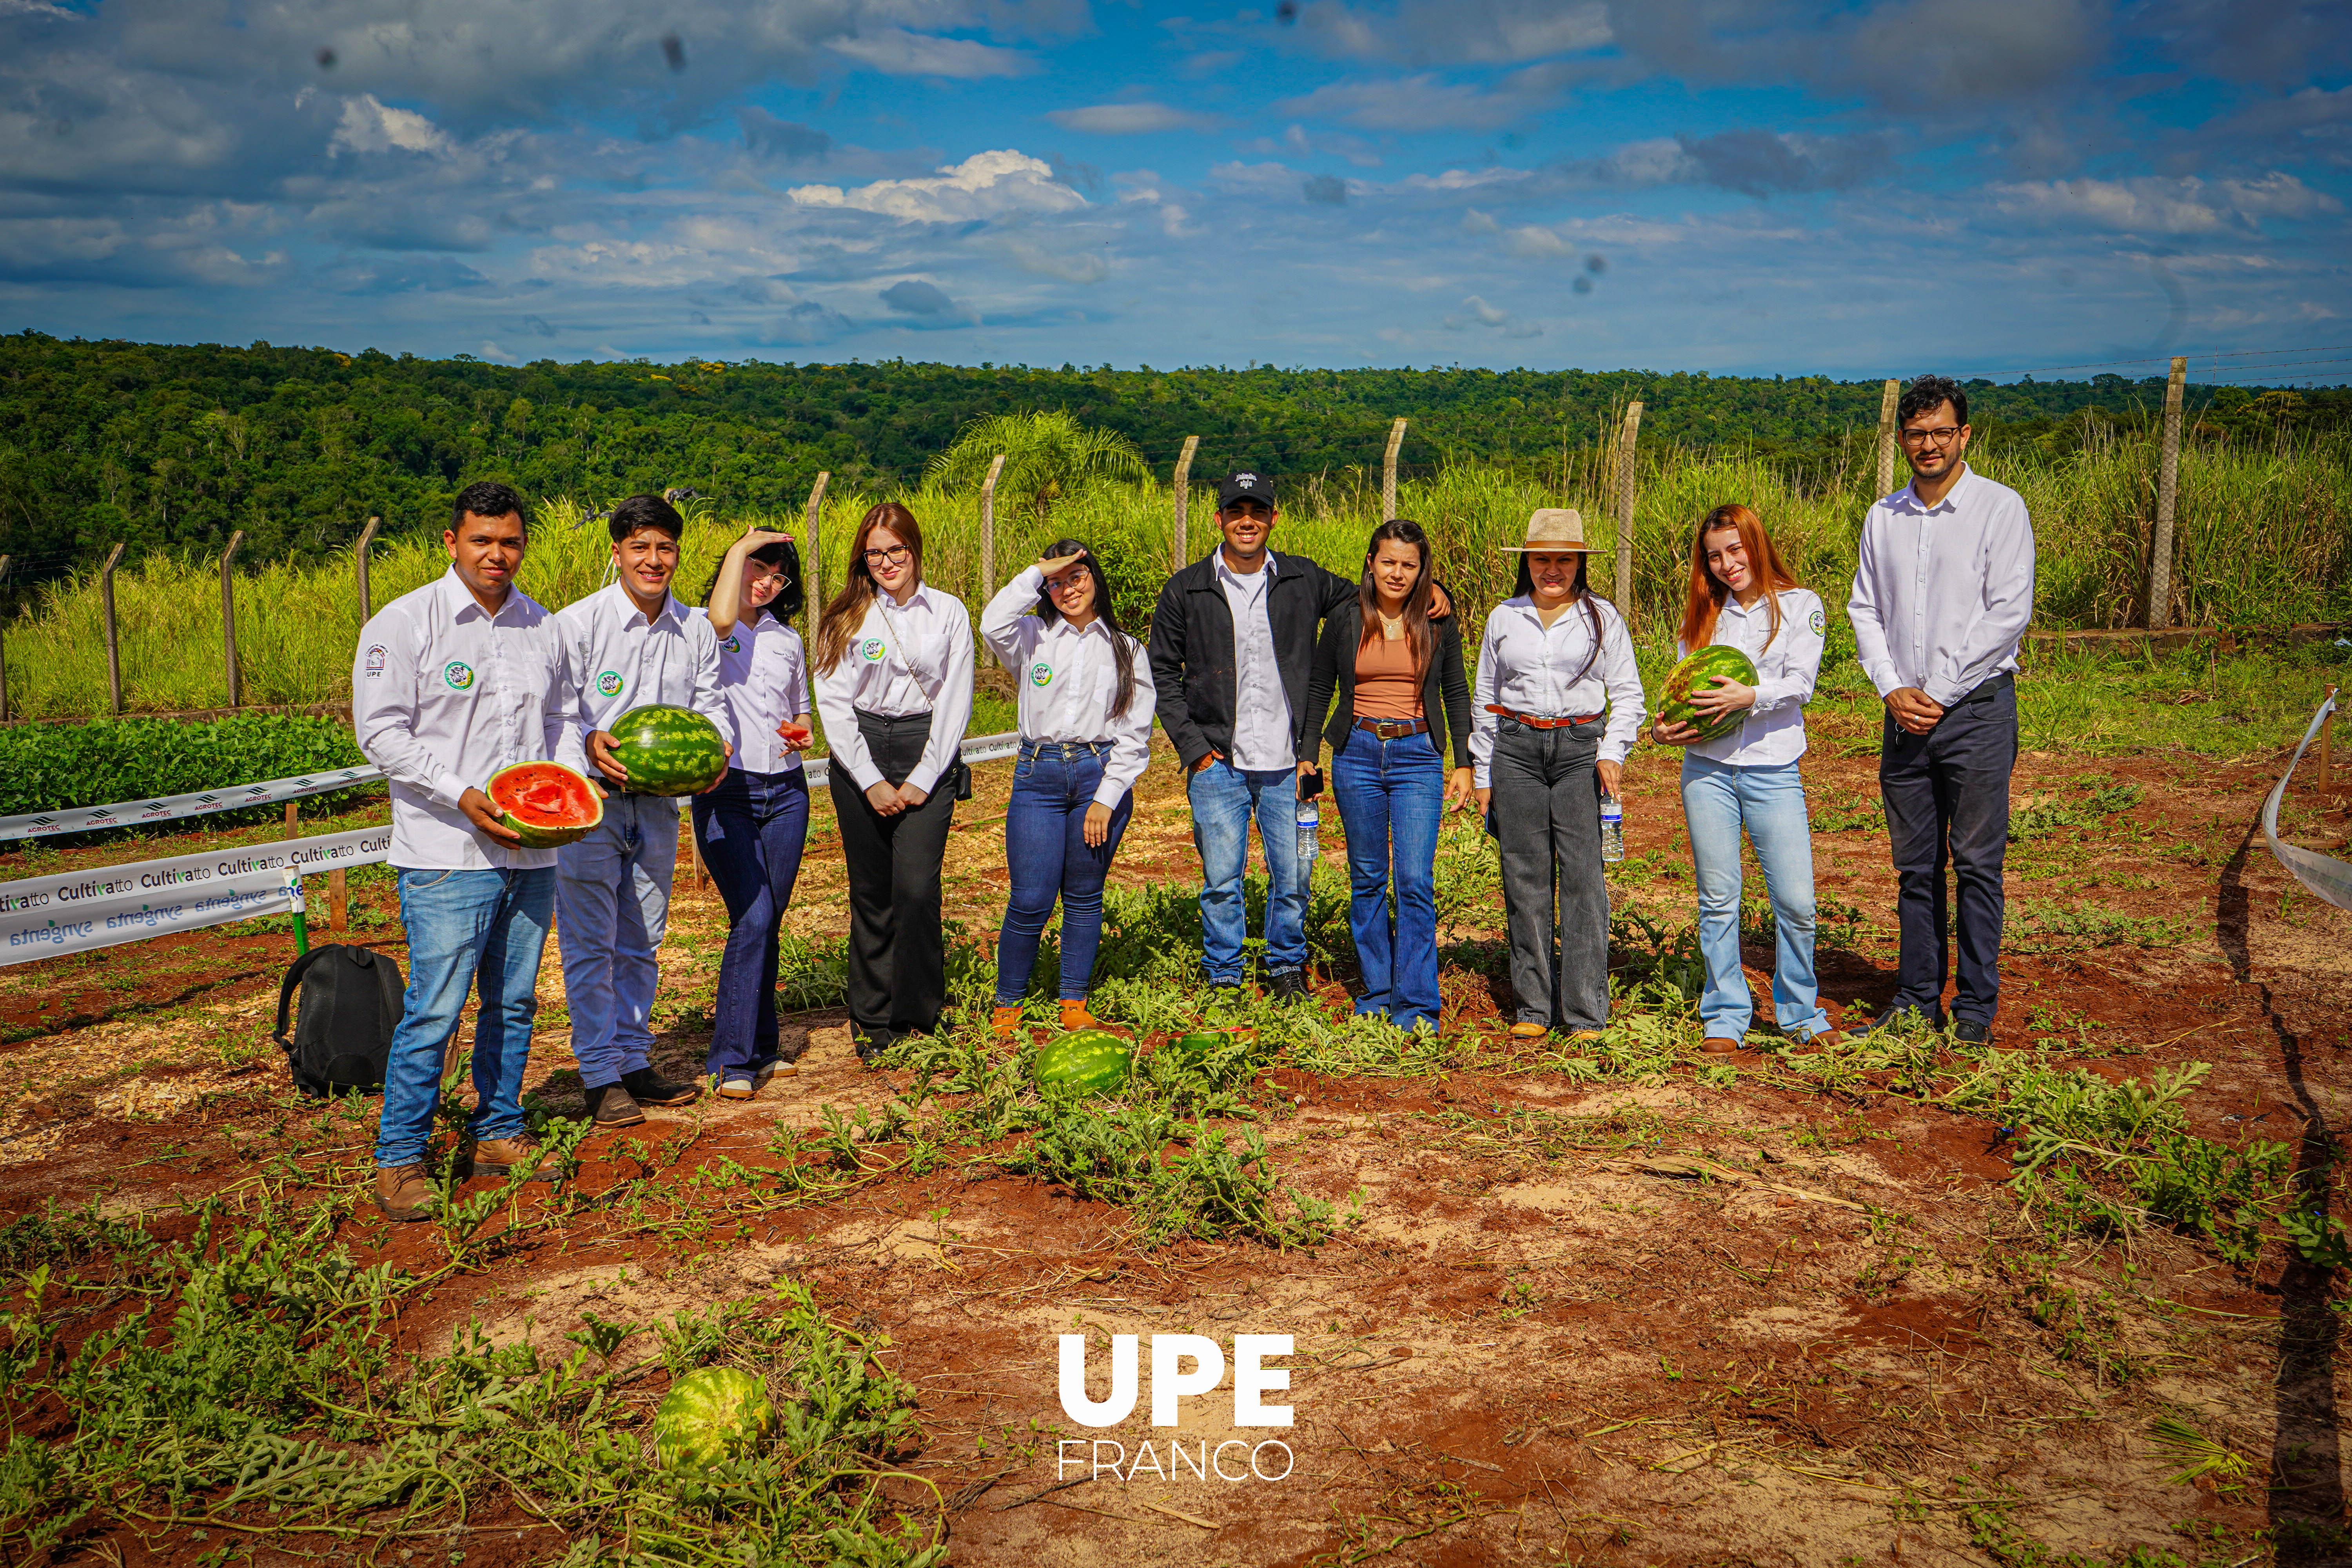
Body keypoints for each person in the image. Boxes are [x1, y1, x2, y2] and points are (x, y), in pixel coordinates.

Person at [352, 480, 565, 1220]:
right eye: (482, 540)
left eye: (510, 541)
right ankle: (400, 1157)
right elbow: (381, 733)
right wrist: (461, 792)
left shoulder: (541, 626)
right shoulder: (404, 623)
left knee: (513, 1002)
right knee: (436, 1010)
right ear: (452, 542)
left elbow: (562, 720)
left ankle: (499, 1130)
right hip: (447, 850)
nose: (496, 554)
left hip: (532, 853)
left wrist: (563, 788)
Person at [1848, 374, 2035, 1045]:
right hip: (1904, 716)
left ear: (1965, 435)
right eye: (1916, 434)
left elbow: (2008, 613)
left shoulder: (2000, 509)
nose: (1929, 445)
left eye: (1941, 432)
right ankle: (1916, 1000)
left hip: (1977, 713)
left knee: (1978, 864)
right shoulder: (1884, 517)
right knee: (1915, 867)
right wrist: (1891, 687)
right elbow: (1864, 608)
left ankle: (1975, 1011)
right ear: (1901, 439)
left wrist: (1940, 691)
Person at [554, 493, 731, 1128]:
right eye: (640, 548)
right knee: (590, 943)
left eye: (665, 548)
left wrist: (718, 745)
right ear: (617, 553)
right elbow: (554, 712)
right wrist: (586, 742)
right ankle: (599, 1075)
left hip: (658, 806)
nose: (653, 560)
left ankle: (633, 1060)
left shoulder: (695, 630)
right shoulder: (577, 625)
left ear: (677, 554)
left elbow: (711, 704)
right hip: (592, 805)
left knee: (643, 941)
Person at [1147, 472, 1358, 1002]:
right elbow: (1160, 673)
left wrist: (1435, 594)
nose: (1248, 522)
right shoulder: (1187, 588)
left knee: (1296, 873)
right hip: (1218, 764)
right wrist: (1195, 751)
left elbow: (1368, 597)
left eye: (1258, 511)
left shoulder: (1302, 578)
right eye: (1237, 512)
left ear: (1273, 518)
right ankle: (1224, 972)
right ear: (1219, 519)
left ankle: (1286, 965)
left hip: (1292, 764)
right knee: (1222, 881)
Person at [1649, 505, 1840, 1055]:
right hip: (1706, 771)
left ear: (1756, 543)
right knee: (1718, 899)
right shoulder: (1703, 617)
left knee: (1796, 901)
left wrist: (1749, 696)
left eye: (1735, 549)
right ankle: (1726, 1013)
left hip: (1773, 769)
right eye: (1714, 556)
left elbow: (1801, 682)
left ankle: (1799, 1011)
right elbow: (1683, 694)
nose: (1727, 564)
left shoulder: (1801, 605)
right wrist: (1663, 731)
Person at [1470, 509, 1645, 1042]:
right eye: (1542, 559)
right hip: (1517, 750)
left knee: (1583, 877)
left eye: (1564, 559)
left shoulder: (1602, 618)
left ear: (1579, 563)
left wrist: (1612, 751)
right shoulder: (1504, 617)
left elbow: (1629, 695)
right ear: (1526, 562)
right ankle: (1533, 1006)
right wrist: (1483, 772)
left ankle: (1585, 1011)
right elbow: (1485, 697)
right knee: (1524, 876)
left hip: (1580, 751)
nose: (1553, 569)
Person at [810, 503, 974, 1058]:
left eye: (896, 549)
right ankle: (873, 1021)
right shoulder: (845, 615)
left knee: (917, 889)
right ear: (863, 558)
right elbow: (834, 702)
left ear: (914, 549)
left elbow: (956, 697)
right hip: (860, 749)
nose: (886, 562)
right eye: (874, 553)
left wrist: (926, 774)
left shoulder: (948, 611)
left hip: (926, 744)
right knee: (871, 893)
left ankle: (918, 1016)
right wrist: (868, 780)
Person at [1299, 519, 1474, 1036]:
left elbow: (1456, 691)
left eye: (1409, 565)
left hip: (1418, 755)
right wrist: (1308, 755)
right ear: (1371, 564)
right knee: (1369, 877)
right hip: (1356, 754)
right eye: (1389, 562)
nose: (1397, 573)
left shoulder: (1437, 620)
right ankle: (1377, 993)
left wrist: (1464, 762)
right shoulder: (1346, 617)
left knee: (1415, 880)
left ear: (1423, 571)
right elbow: (1319, 686)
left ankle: (1416, 1004)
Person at [980, 540, 1156, 1039]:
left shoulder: (1127, 649)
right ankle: (1008, 1002)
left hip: (1098, 774)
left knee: (1083, 895)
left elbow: (1135, 735)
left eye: (1076, 577)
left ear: (1095, 578)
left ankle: (1073, 1000)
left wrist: (1107, 798)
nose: (1067, 590)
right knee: (1031, 897)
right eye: (1056, 583)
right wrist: (1038, 571)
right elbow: (991, 622)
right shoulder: (1031, 636)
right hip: (1038, 777)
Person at [691, 524, 814, 1098]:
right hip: (728, 790)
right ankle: (731, 1060)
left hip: (787, 792)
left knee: (768, 919)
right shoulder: (702, 628)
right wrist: (741, 548)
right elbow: (720, 622)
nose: (766, 583)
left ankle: (763, 1048)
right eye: (756, 569)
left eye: (777, 577)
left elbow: (800, 709)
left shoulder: (787, 639)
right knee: (754, 915)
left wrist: (801, 731)